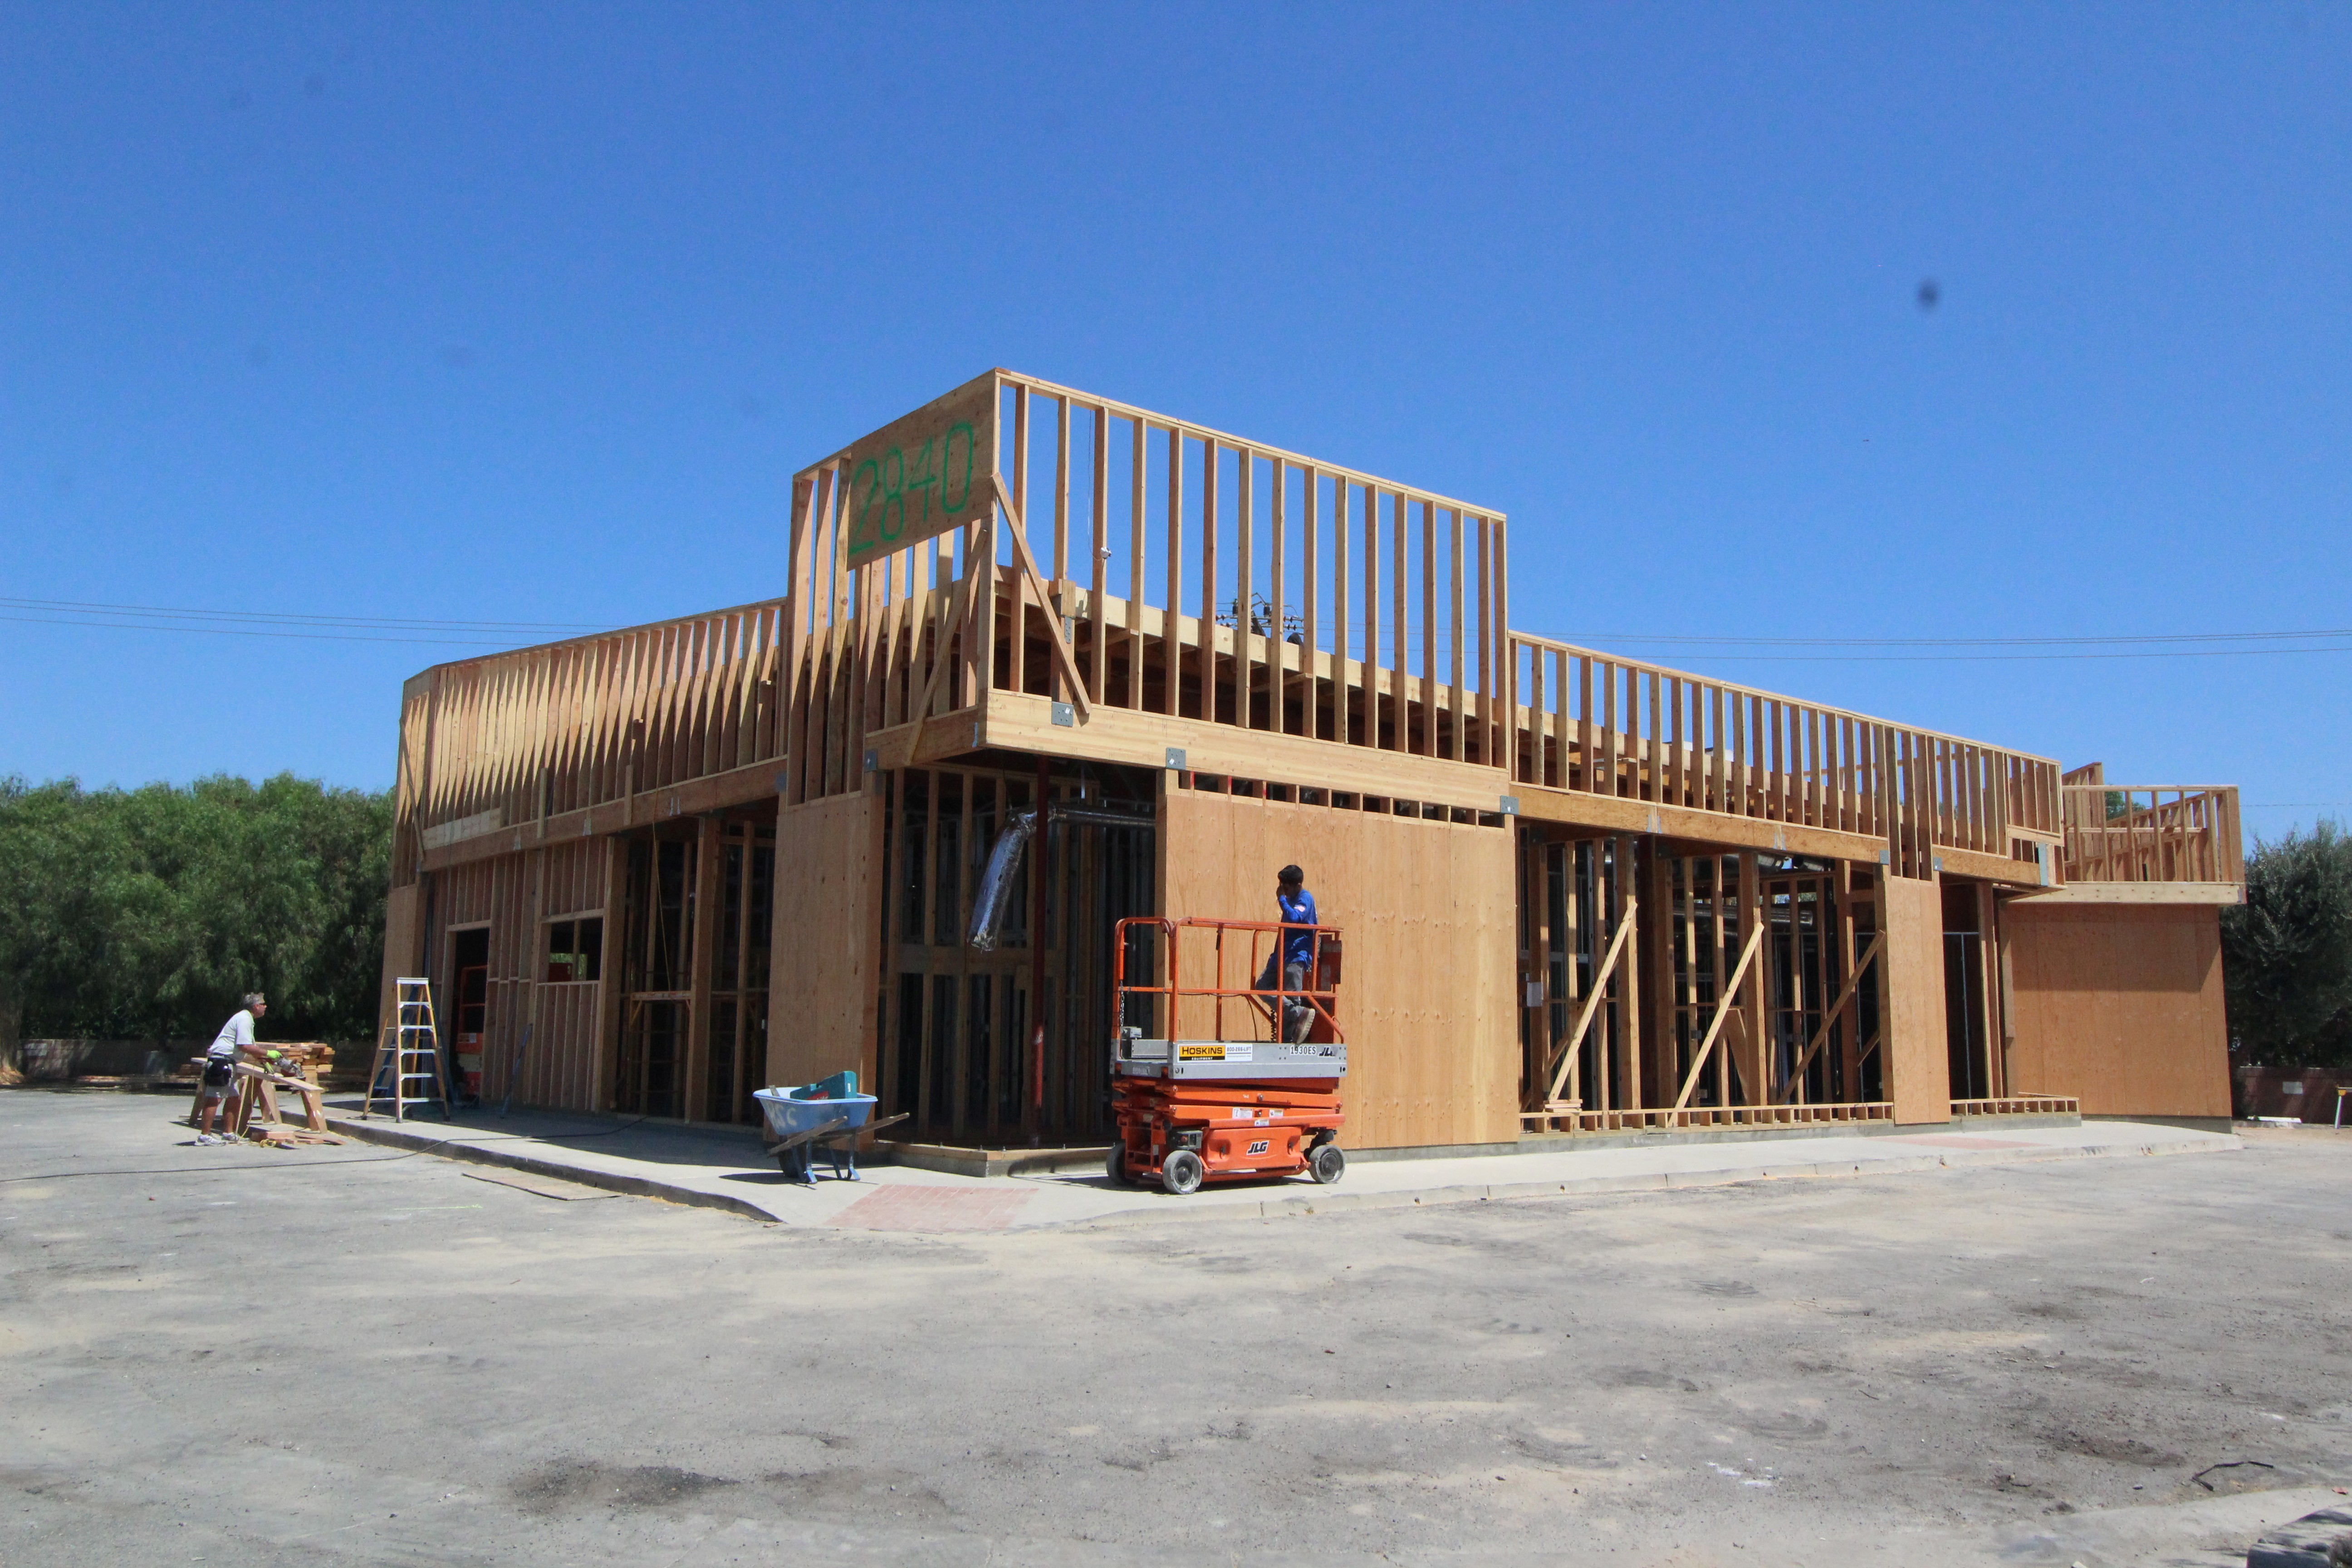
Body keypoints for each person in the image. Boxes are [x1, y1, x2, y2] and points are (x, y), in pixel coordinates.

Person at [194, 993, 268, 1144]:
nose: (265, 1007)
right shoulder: (244, 1019)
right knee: (215, 1098)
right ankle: (204, 1136)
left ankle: (229, 1133)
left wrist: (263, 1060)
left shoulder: (246, 1019)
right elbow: (245, 1046)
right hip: (221, 1063)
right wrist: (268, 1053)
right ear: (256, 1006)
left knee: (234, 1098)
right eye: (263, 1004)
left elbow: (249, 1046)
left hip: (229, 1064)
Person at [1267, 865, 1319, 1043]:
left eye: (1286, 888)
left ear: (1297, 885)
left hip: (1296, 956)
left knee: (1291, 996)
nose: (1283, 891)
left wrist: (1282, 900)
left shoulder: (1305, 899)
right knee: (1262, 986)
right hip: (1281, 955)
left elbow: (1295, 919)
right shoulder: (1290, 899)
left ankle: (1289, 1037)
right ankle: (1298, 1014)